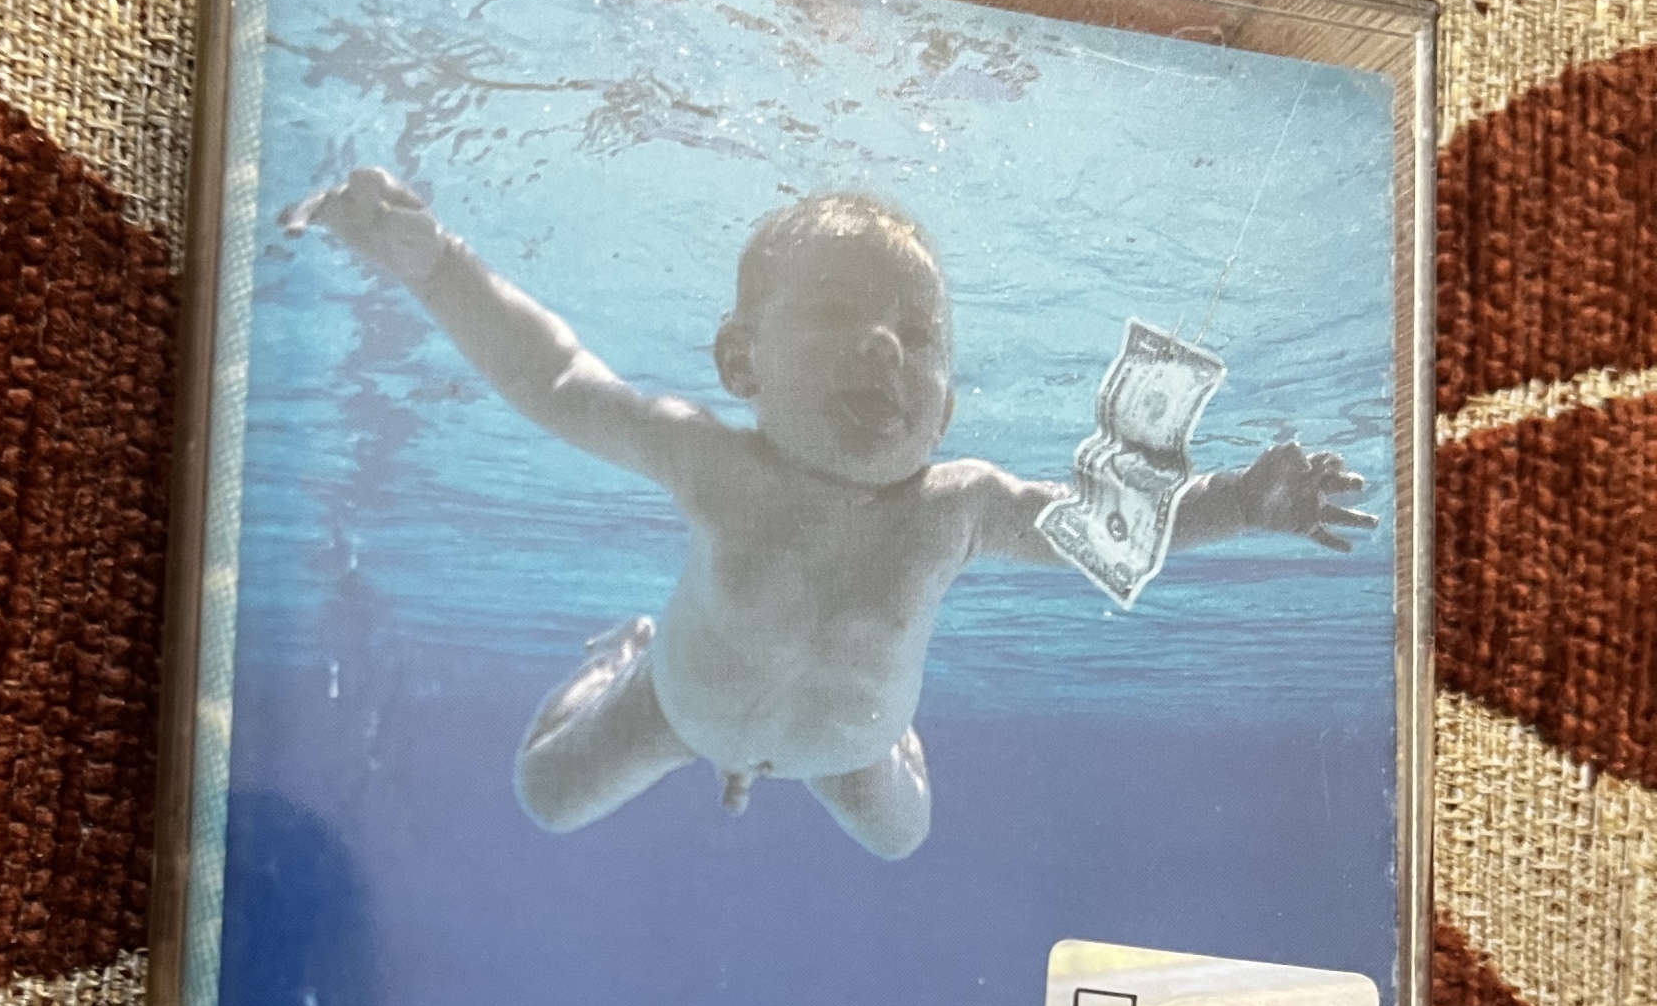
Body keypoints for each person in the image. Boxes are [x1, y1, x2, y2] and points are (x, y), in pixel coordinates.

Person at [284, 175, 1374, 859]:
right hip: (677, 707)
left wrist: (1241, 502)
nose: (884, 345)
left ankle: (890, 731)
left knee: (906, 837)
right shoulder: (715, 461)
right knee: (545, 793)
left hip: (845, 751)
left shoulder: (959, 506)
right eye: (839, 312)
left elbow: (1106, 527)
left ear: (945, 410)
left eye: (918, 333)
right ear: (741, 361)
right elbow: (557, 377)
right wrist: (434, 263)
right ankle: (625, 655)